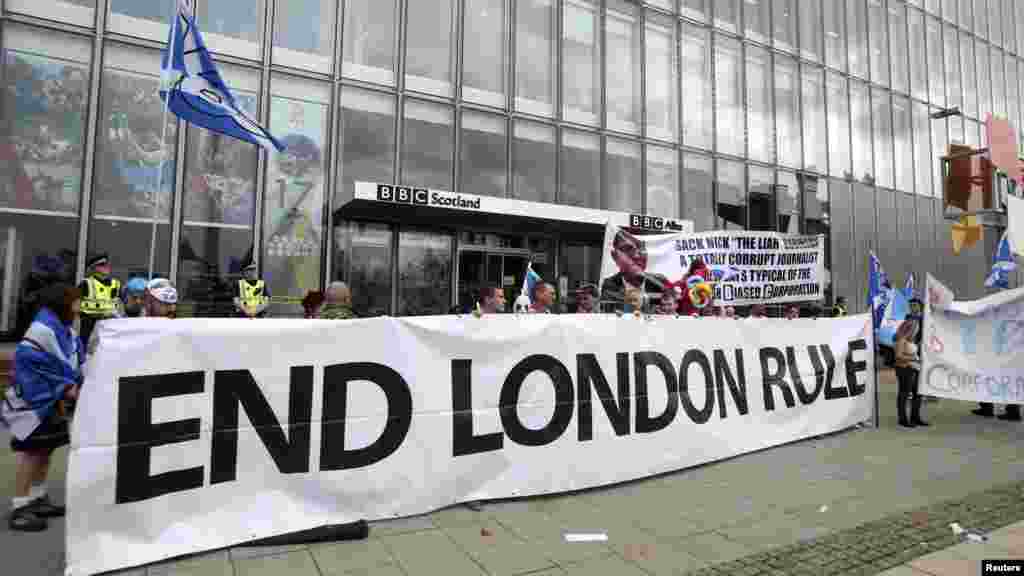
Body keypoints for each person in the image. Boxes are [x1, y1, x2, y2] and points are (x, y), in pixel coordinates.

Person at [1, 283, 83, 531]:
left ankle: (37, 498)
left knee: (45, 450)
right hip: (33, 402)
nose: (79, 306)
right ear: (63, 304)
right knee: (32, 453)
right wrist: (65, 385)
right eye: (75, 301)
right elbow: (32, 364)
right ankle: (20, 507)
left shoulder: (62, 329)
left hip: (49, 401)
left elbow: (68, 360)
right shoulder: (43, 330)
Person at [600, 229, 666, 312]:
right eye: (627, 249)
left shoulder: (659, 283)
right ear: (614, 256)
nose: (636, 256)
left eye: (641, 248)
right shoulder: (609, 286)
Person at [78, 253, 121, 347]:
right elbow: (75, 306)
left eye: (107, 264)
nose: (107, 267)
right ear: (94, 268)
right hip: (89, 325)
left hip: (110, 325)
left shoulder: (116, 284)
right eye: (102, 265)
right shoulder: (86, 284)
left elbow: (121, 307)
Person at [894, 318, 927, 428]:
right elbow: (898, 356)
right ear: (911, 328)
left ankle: (915, 417)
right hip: (904, 369)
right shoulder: (901, 339)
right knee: (904, 394)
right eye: (916, 328)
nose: (917, 330)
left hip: (914, 369)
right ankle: (903, 419)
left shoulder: (911, 340)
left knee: (918, 394)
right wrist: (914, 359)